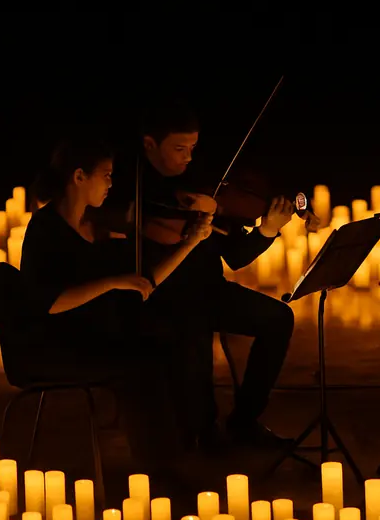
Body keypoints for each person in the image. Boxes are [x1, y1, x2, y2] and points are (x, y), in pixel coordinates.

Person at [126, 98, 316, 451]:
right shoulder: (131, 186)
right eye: (179, 148)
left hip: (207, 291)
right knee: (192, 327)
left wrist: (268, 230)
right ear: (149, 145)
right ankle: (202, 431)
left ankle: (244, 420)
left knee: (278, 318)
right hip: (157, 296)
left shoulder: (204, 185)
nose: (188, 157)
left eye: (193, 148)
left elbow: (236, 256)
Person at [18, 137, 211, 475]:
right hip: (61, 345)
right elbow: (47, 303)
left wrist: (190, 243)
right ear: (79, 176)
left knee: (178, 339)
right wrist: (111, 283)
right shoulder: (45, 229)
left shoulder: (95, 226)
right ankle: (161, 469)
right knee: (143, 365)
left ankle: (187, 445)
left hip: (98, 332)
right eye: (105, 175)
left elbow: (143, 281)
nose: (111, 183)